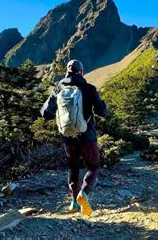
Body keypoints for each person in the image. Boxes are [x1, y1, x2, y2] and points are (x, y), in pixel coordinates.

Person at [41, 59, 108, 216]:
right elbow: (102, 112)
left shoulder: (58, 89)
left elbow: (45, 113)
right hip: (87, 136)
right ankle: (83, 194)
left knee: (73, 166)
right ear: (81, 72)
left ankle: (73, 202)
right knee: (93, 166)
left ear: (67, 71)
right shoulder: (89, 89)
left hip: (68, 136)